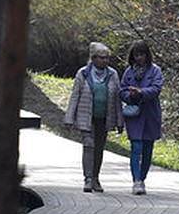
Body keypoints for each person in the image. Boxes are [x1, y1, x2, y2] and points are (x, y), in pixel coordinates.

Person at [65, 42, 121, 192]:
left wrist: (119, 121)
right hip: (86, 116)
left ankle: (96, 178)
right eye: (102, 58)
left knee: (99, 149)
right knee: (89, 145)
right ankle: (88, 179)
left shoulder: (113, 74)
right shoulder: (83, 73)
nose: (105, 61)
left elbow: (117, 99)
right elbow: (75, 96)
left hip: (104, 118)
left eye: (107, 58)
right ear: (93, 58)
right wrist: (69, 118)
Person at [120, 39, 164, 195]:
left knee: (147, 150)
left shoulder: (155, 71)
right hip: (134, 116)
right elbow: (122, 91)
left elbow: (156, 88)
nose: (139, 58)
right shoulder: (129, 72)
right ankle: (136, 180)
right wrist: (130, 96)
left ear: (147, 55)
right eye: (136, 55)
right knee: (135, 148)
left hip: (150, 115)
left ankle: (142, 179)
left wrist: (141, 92)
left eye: (142, 55)